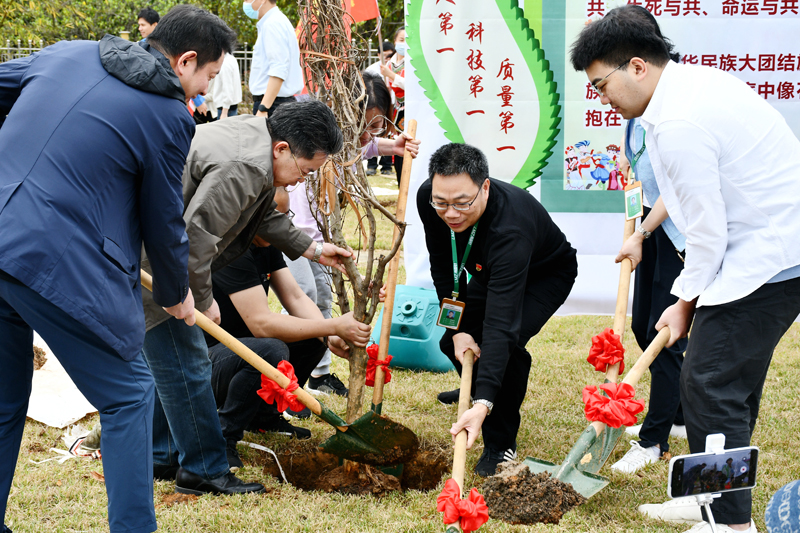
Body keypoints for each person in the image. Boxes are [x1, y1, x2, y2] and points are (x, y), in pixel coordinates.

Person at [0, 6, 234, 532]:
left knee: (3, 399)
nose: (204, 92)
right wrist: (177, 295)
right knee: (129, 394)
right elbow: (163, 219)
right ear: (186, 60)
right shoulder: (169, 116)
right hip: (50, 258)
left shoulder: (69, 53)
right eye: (209, 78)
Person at [571, 6, 800, 533]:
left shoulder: (678, 120)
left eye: (602, 84)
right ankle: (711, 500)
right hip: (765, 250)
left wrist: (683, 303)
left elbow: (707, 234)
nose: (603, 99)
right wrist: (650, 244)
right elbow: (679, 196)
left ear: (636, 66)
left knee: (711, 383)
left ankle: (727, 523)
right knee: (724, 383)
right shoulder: (684, 91)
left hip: (770, 257)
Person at [141, 100, 347, 497]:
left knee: (171, 362)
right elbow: (197, 237)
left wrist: (314, 250)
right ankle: (203, 469)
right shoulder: (244, 165)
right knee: (185, 363)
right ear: (282, 148)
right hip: (155, 257)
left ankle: (162, 456)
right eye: (304, 171)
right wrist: (201, 300)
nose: (300, 182)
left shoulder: (256, 140)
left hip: (159, 251)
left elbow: (263, 217)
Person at [418, 143, 578, 476]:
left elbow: (501, 322)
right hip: (488, 268)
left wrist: (483, 401)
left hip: (544, 274)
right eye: (442, 202)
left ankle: (500, 443)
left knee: (505, 347)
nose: (450, 213)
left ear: (485, 187)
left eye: (462, 203)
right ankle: (477, 380)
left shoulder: (511, 228)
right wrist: (457, 330)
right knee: (452, 341)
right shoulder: (428, 199)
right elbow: (442, 267)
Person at [209, 187, 371, 469]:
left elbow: (295, 297)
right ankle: (224, 438)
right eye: (276, 217)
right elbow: (260, 324)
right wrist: (333, 324)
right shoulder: (231, 249)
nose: (285, 225)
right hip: (208, 362)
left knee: (313, 335)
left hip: (242, 350)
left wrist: (329, 333)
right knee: (271, 347)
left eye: (287, 215)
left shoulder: (266, 245)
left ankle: (263, 418)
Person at [288, 71, 420, 397]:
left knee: (322, 300)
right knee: (303, 298)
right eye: (364, 125)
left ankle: (317, 376)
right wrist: (312, 247)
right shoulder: (316, 141)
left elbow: (365, 147)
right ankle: (289, 384)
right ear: (345, 114)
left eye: (377, 126)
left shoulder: (347, 141)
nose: (369, 134)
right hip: (290, 234)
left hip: (318, 239)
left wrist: (395, 145)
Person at [607, 17, 688, 475]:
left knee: (665, 337)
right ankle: (676, 414)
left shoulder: (672, 107)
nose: (605, 95)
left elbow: (677, 187)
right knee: (643, 327)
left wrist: (643, 231)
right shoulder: (636, 109)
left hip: (676, 235)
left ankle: (654, 439)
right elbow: (638, 164)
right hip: (651, 231)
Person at [246, 0, 303, 117]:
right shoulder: (275, 21)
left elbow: (279, 68)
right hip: (275, 102)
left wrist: (263, 108)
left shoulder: (272, 23)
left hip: (273, 104)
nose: (245, 3)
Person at [380, 27, 407, 181]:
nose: (404, 44)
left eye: (407, 41)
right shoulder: (389, 63)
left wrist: (391, 75)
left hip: (409, 110)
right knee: (397, 148)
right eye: (401, 40)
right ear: (395, 41)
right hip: (395, 112)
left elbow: (412, 86)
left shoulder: (413, 62)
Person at [366, 41, 395, 176]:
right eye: (385, 56)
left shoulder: (396, 69)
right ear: (378, 55)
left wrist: (394, 147)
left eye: (390, 56)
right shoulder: (371, 70)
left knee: (384, 135)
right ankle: (372, 166)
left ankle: (386, 166)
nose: (366, 135)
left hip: (387, 105)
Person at [208, 52, 242, 119]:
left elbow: (228, 89)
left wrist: (224, 112)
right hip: (230, 106)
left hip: (225, 108)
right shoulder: (231, 58)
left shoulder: (224, 63)